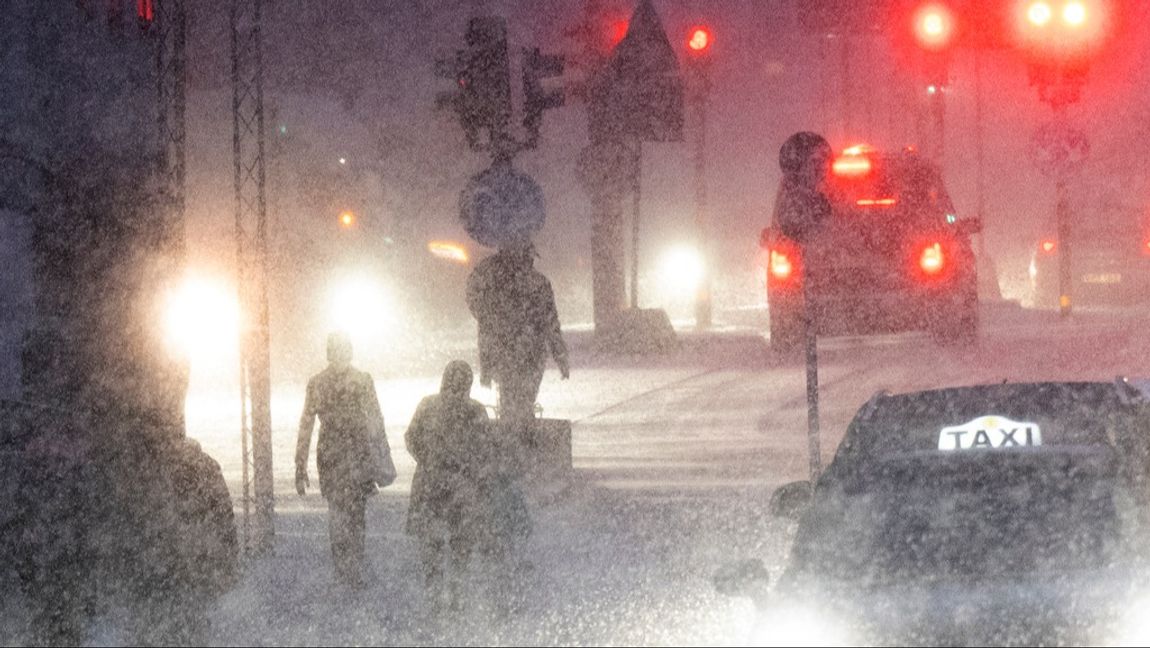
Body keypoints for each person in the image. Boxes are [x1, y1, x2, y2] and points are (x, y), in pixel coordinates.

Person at [296, 332, 385, 588]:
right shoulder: (363, 381)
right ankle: (354, 569)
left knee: (337, 514)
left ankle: (342, 570)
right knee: (356, 515)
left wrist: (300, 464)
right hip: (358, 454)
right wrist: (380, 459)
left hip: (331, 454)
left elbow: (306, 425)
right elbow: (376, 421)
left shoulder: (317, 383)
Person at [405, 360, 491, 612]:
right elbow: (485, 447)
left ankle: (434, 592)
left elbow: (411, 437)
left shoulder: (428, 405)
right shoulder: (475, 410)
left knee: (430, 540)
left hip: (429, 482)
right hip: (462, 483)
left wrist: (427, 459)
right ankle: (456, 591)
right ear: (469, 384)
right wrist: (472, 470)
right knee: (460, 540)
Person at [465, 243, 570, 439]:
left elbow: (480, 310)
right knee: (522, 402)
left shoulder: (495, 283)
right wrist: (560, 355)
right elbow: (551, 323)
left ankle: (514, 442)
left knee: (512, 402)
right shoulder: (537, 284)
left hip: (510, 354)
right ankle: (521, 441)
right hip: (530, 354)